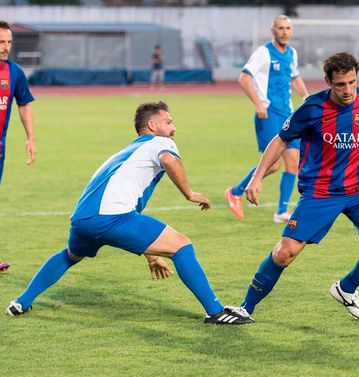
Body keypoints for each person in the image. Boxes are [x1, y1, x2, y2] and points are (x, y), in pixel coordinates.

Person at [5, 101, 253, 325]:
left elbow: (122, 200)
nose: (173, 128)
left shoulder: (124, 153)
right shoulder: (161, 143)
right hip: (112, 218)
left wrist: (151, 254)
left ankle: (21, 302)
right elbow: (169, 160)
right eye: (169, 122)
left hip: (83, 219)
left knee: (70, 256)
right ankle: (216, 312)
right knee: (182, 246)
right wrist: (189, 193)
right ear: (152, 125)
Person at [229, 52, 359, 322]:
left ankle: (346, 289)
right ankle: (245, 308)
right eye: (340, 85)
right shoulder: (312, 109)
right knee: (285, 253)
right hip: (321, 192)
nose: (347, 90)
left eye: (352, 83)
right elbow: (280, 140)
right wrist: (257, 177)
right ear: (327, 81)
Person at [225, 15, 309, 223]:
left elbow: (294, 77)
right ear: (273, 31)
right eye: (280, 28)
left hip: (287, 114)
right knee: (271, 165)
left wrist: (305, 96)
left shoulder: (291, 53)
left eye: (288, 28)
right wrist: (258, 103)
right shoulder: (264, 53)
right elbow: (244, 78)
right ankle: (235, 192)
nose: (284, 32)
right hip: (268, 113)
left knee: (293, 162)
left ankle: (281, 211)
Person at [0, 20, 37, 273]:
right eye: (1, 42)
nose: (6, 47)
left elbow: (24, 103)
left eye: (9, 42)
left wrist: (30, 137)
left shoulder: (14, 72)